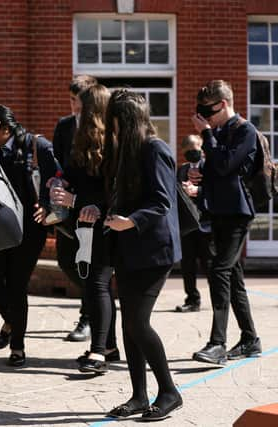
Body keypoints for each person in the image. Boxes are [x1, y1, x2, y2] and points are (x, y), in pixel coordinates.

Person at [103, 89, 183, 421]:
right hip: (128, 248)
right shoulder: (126, 152)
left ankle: (169, 392)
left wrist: (130, 221)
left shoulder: (155, 149)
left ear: (126, 121)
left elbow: (163, 201)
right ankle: (139, 395)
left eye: (114, 122)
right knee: (128, 323)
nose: (112, 130)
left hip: (154, 251)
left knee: (138, 322)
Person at [190, 80, 262, 365]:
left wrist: (207, 135)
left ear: (222, 104)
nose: (204, 117)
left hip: (237, 213)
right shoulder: (218, 131)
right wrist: (200, 181)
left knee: (219, 270)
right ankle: (250, 339)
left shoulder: (245, 131)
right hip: (218, 211)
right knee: (232, 277)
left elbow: (226, 166)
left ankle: (217, 343)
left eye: (207, 110)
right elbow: (217, 172)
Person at [50, 84, 119, 374]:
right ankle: (110, 346)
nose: (78, 108)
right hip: (81, 220)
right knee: (88, 280)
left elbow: (116, 189)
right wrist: (61, 183)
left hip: (104, 222)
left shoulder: (116, 142)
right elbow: (73, 172)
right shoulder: (81, 136)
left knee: (98, 284)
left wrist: (77, 199)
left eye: (84, 104)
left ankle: (99, 351)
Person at [0, 105, 55, 367]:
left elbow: (56, 178)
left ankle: (18, 346)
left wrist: (47, 205)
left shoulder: (37, 146)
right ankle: (11, 321)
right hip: (0, 226)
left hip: (31, 229)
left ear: (5, 128)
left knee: (16, 285)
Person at [52, 74, 97, 342]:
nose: (75, 107)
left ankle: (89, 316)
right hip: (66, 206)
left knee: (87, 264)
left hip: (90, 206)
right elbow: (58, 161)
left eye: (80, 102)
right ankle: (98, 300)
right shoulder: (64, 125)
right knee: (66, 261)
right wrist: (56, 180)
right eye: (71, 101)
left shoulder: (101, 128)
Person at [175, 134, 214, 313]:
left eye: (196, 149)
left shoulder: (211, 167)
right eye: (188, 150)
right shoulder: (181, 170)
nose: (193, 153)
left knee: (210, 264)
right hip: (188, 225)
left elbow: (217, 190)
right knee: (187, 264)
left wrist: (198, 190)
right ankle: (192, 299)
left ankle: (218, 298)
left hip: (207, 223)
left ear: (202, 149)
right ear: (183, 151)